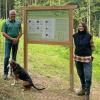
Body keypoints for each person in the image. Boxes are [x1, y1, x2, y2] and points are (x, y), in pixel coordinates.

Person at [73, 22, 95, 100]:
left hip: (87, 58)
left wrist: (88, 52)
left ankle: (87, 93)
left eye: (82, 26)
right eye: (79, 26)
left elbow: (93, 47)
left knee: (88, 76)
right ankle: (83, 89)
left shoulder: (89, 36)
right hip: (78, 58)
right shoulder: (75, 36)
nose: (80, 27)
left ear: (85, 27)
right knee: (80, 74)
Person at [2, 9, 22, 80]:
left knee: (14, 58)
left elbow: (20, 32)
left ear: (15, 15)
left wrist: (17, 39)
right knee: (7, 57)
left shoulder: (18, 22)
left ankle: (13, 72)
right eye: (11, 14)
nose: (13, 15)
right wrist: (12, 39)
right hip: (8, 42)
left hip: (16, 42)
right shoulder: (5, 22)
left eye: (14, 14)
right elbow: (3, 33)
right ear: (9, 15)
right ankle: (5, 73)